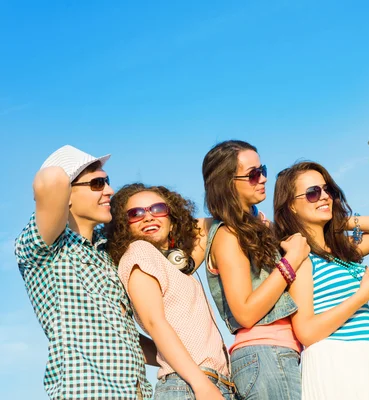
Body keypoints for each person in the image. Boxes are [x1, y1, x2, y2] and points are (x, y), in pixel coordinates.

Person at [14, 145, 153, 400]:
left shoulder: (105, 254)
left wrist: (179, 358)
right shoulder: (45, 251)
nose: (109, 190)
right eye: (98, 183)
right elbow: (51, 179)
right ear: (66, 193)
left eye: (107, 181)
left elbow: (124, 338)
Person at [273, 161, 369, 400]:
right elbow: (306, 331)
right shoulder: (301, 257)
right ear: (292, 206)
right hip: (336, 362)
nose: (324, 197)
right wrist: (363, 295)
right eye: (313, 193)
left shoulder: (342, 250)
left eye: (328, 191)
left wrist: (338, 219)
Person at [104, 183, 235, 399]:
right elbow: (156, 323)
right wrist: (200, 384)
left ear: (172, 220)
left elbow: (218, 222)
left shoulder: (175, 266)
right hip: (189, 386)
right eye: (135, 214)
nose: (148, 217)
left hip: (210, 382)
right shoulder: (140, 252)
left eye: (157, 209)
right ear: (123, 226)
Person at [202, 140, 310, 400]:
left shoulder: (255, 227)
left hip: (274, 355)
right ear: (228, 183)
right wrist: (290, 261)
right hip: (266, 354)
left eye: (262, 169)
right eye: (253, 174)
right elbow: (245, 312)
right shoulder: (228, 235)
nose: (262, 178)